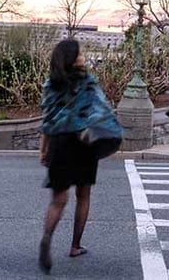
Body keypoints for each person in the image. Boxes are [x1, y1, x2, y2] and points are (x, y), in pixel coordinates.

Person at [38, 39, 99, 274]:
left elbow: (47, 120)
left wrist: (43, 149)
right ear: (74, 59)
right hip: (84, 143)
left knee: (58, 199)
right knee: (83, 195)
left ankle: (47, 236)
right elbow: (98, 114)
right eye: (80, 53)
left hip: (59, 143)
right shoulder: (88, 83)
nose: (83, 56)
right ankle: (75, 245)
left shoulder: (50, 85)